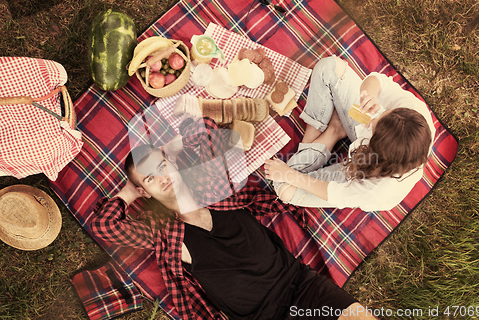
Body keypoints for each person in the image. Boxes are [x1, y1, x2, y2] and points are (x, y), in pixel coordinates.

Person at [91, 116, 378, 320]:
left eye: (162, 167)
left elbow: (206, 128)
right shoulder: (165, 236)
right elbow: (104, 225)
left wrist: (172, 151)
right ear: (146, 192)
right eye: (151, 179)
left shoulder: (211, 185)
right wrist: (129, 192)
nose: (162, 178)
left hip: (303, 285)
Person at [264, 56, 435, 212]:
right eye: (383, 115)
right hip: (365, 130)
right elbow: (378, 81)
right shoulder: (412, 113)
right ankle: (333, 131)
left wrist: (290, 174)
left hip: (360, 169)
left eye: (374, 129)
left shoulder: (376, 189)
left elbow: (336, 194)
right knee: (329, 67)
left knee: (283, 187)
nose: (372, 120)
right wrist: (369, 96)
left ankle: (333, 131)